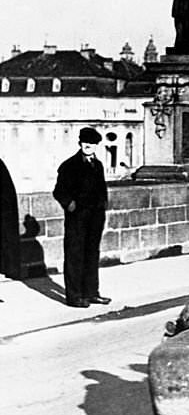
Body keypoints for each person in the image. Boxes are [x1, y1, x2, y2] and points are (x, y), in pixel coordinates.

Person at [53, 127, 110, 308]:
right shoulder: (69, 165)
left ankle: (91, 293)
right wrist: (70, 205)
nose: (88, 146)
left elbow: (101, 189)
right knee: (75, 255)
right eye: (86, 142)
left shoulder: (98, 165)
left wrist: (103, 206)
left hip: (95, 217)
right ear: (80, 143)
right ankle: (74, 296)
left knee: (92, 254)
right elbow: (59, 191)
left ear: (96, 146)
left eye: (92, 143)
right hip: (77, 218)